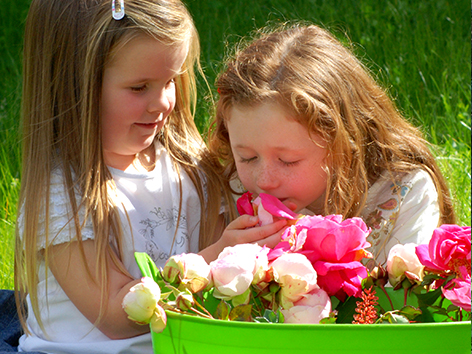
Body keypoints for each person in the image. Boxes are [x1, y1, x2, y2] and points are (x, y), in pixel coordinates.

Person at [14, 0, 285, 352]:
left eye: (170, 80)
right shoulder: (63, 193)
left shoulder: (188, 167)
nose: (162, 103)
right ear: (73, 87)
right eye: (139, 87)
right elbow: (115, 314)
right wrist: (217, 256)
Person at [209, 23, 457, 266]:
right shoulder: (234, 186)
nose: (264, 180)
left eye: (288, 161)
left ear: (342, 143)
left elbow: (404, 298)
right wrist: (223, 261)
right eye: (247, 157)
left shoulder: (404, 192)